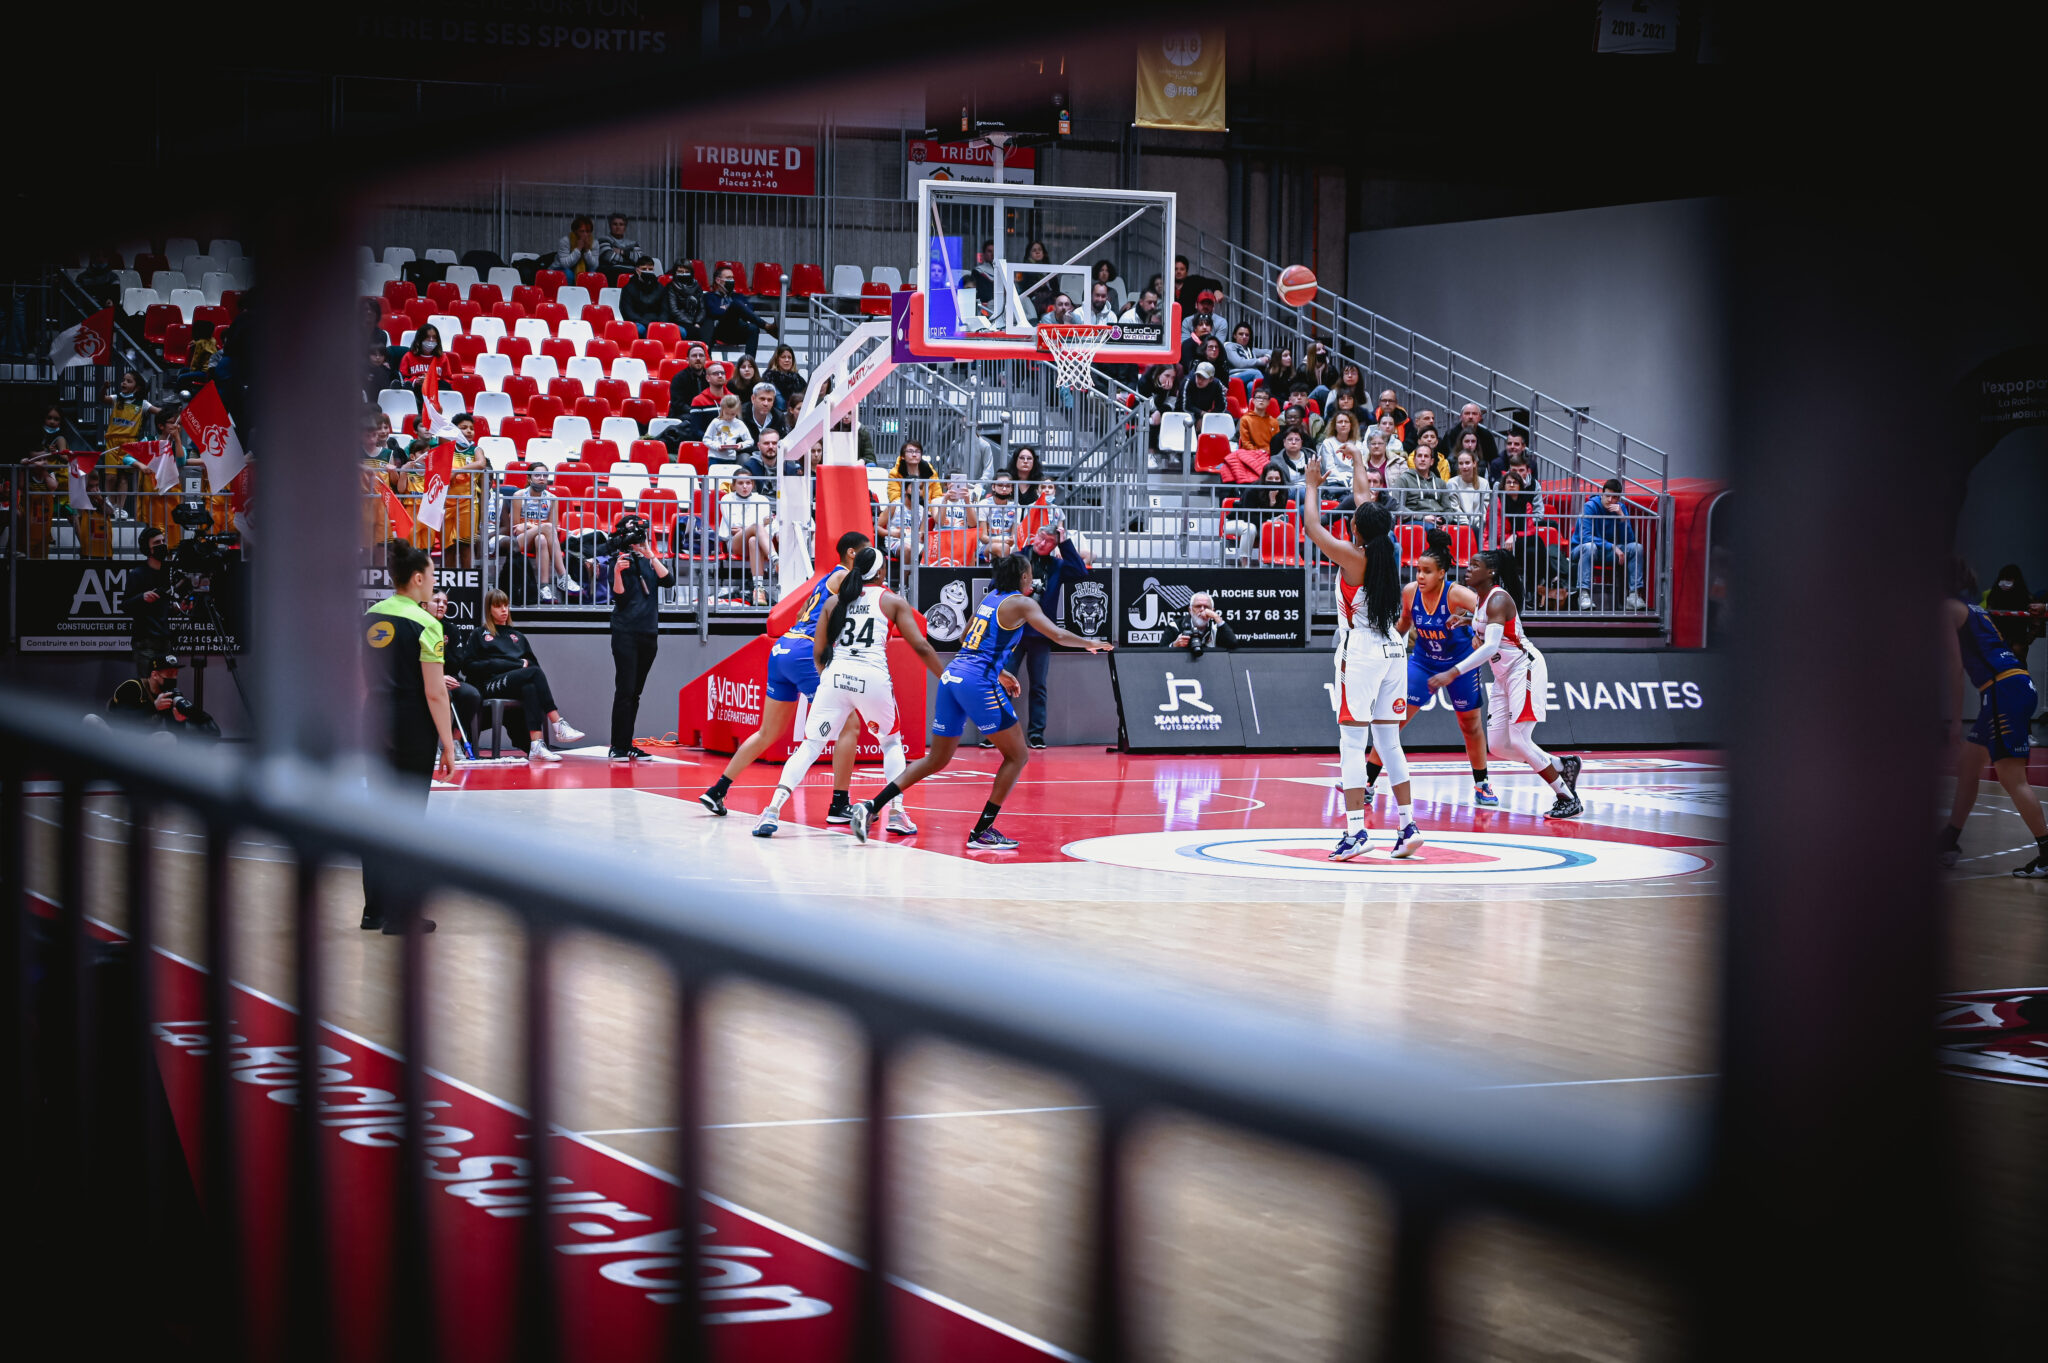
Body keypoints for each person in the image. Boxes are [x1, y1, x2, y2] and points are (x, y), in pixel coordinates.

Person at [849, 553, 1112, 848]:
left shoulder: (991, 599)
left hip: (952, 677)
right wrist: (1092, 643)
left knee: (937, 758)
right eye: (1029, 575)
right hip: (977, 682)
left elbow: (965, 639)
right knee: (1018, 756)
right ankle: (982, 832)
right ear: (1024, 578)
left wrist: (998, 672)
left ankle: (871, 806)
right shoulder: (1023, 603)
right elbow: (1058, 635)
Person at [755, 547, 947, 838]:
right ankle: (896, 812)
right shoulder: (891, 601)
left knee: (810, 746)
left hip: (835, 675)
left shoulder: (834, 601)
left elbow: (819, 652)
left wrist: (829, 681)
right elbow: (920, 646)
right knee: (891, 743)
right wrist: (944, 677)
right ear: (881, 572)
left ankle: (772, 810)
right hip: (871, 676)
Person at [698, 532, 873, 820]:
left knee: (768, 732)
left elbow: (802, 613)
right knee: (849, 725)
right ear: (853, 553)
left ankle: (717, 790)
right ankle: (839, 805)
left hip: (783, 648)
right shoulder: (845, 577)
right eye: (867, 553)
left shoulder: (824, 580)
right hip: (805, 651)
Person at [1298, 465, 1424, 860]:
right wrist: (1356, 462)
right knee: (1390, 742)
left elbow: (1312, 527)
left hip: (1363, 651)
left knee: (1352, 744)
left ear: (1358, 529)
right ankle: (1407, 825)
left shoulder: (1353, 557)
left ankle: (1356, 831)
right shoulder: (1388, 549)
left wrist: (1311, 486)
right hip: (1394, 650)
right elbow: (1366, 502)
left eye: (1353, 518)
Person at [1428, 548, 1583, 819]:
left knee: (1520, 740)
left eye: (1475, 565)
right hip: (1503, 675)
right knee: (1498, 745)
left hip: (1524, 670)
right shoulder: (1481, 599)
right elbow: (1488, 629)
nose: (1468, 568)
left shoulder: (1499, 599)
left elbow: (1489, 647)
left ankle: (1567, 797)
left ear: (1491, 572)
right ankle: (1561, 764)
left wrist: (1453, 672)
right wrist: (1466, 621)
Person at [360, 541, 457, 933]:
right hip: (411, 725)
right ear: (417, 579)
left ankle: (374, 910)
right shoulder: (426, 624)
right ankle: (402, 916)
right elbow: (435, 692)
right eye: (432, 575)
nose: (433, 583)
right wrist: (448, 745)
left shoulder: (369, 616)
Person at [1935, 563, 2048, 877]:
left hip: (2003, 691)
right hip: (2014, 685)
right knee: (1970, 766)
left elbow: (1955, 669)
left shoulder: (1946, 610)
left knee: (2012, 778)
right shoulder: (1975, 609)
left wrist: (1956, 720)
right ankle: (1949, 842)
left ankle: (2047, 852)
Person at [1387, 529, 1497, 807]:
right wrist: (1384, 641)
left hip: (1460, 663)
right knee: (1394, 720)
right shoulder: (1410, 593)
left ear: (1442, 574)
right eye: (1417, 570)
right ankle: (1366, 781)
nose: (1419, 576)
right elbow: (1402, 625)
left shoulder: (1457, 594)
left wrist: (1477, 628)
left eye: (1426, 571)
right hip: (1423, 662)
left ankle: (1482, 784)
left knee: (1470, 724)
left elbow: (1491, 610)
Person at [455, 589, 585, 762]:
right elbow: (468, 666)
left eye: (506, 606)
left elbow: (533, 667)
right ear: (489, 609)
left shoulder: (518, 636)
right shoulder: (480, 634)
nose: (504, 610)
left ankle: (536, 745)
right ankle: (558, 722)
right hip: (489, 684)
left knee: (531, 685)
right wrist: (511, 664)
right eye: (498, 606)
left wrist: (518, 666)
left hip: (515, 684)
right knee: (532, 674)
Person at [1011, 522, 1092, 748]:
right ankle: (995, 735)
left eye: (1049, 542)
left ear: (1055, 546)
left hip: (1041, 635)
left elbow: (1080, 572)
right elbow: (996, 582)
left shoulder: (1057, 565)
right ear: (1034, 535)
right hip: (1013, 632)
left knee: (1038, 686)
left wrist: (1066, 544)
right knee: (1003, 683)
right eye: (1040, 537)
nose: (1042, 543)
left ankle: (1036, 736)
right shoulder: (1018, 558)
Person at [607, 518, 670, 761]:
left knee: (636, 692)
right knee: (624, 690)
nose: (638, 541)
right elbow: (619, 598)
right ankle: (617, 746)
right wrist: (617, 573)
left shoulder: (649, 563)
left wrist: (651, 554)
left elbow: (668, 580)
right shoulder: (619, 560)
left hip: (648, 633)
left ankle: (628, 743)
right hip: (625, 633)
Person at [1572, 477, 1647, 611]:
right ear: (1602, 493)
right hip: (1582, 549)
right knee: (1590, 547)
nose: (1609, 500)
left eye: (1614, 497)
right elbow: (1586, 536)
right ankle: (1583, 594)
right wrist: (1612, 547)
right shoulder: (1590, 506)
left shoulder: (1621, 509)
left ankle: (1633, 596)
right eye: (1607, 496)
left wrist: (1622, 518)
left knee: (1636, 547)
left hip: (1606, 552)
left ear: (1618, 499)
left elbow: (1629, 539)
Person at [506, 466, 576, 603]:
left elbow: (552, 529)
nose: (542, 478)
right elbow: (515, 527)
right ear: (529, 478)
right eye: (537, 475)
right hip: (519, 541)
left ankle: (544, 588)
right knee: (545, 530)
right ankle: (563, 576)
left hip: (539, 539)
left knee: (542, 539)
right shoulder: (519, 495)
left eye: (545, 475)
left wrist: (528, 526)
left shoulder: (552, 498)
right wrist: (538, 527)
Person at [107, 653, 217, 739]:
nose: (174, 678)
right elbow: (120, 719)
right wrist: (154, 707)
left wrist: (179, 721)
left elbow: (175, 734)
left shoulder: (167, 695)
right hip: (116, 737)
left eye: (176, 674)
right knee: (91, 719)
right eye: (169, 674)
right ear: (154, 675)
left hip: (142, 741)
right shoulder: (133, 686)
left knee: (168, 738)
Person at [427, 589, 483, 755]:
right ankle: (431, 744)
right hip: (425, 679)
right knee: (436, 694)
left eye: (445, 603)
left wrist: (443, 646)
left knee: (471, 695)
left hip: (450, 678)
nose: (442, 606)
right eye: (437, 601)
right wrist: (437, 677)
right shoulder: (418, 625)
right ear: (425, 604)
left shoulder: (451, 630)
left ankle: (454, 742)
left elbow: (457, 663)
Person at [720, 470, 777, 603]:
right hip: (735, 543)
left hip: (757, 542)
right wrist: (759, 524)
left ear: (753, 484)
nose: (745, 486)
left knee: (753, 539)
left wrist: (750, 528)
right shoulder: (726, 499)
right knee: (757, 527)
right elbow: (734, 526)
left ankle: (759, 589)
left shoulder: (762, 499)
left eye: (748, 483)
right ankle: (775, 559)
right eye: (740, 483)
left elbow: (768, 526)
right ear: (733, 485)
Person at [702, 263, 774, 352]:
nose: (731, 280)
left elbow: (750, 309)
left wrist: (730, 308)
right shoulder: (709, 296)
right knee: (736, 304)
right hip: (720, 332)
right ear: (718, 280)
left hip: (737, 331)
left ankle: (749, 363)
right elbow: (713, 311)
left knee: (754, 328)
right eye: (728, 278)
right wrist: (735, 308)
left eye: (732, 278)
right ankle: (766, 326)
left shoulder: (738, 296)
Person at [1171, 591, 1237, 655]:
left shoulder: (1216, 628)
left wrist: (1216, 617)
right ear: (1190, 610)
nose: (1202, 609)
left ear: (1212, 611)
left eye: (1206, 607)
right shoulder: (1176, 626)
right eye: (1198, 606)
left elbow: (1232, 643)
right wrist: (1174, 645)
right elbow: (1161, 653)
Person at [978, 473, 1024, 561]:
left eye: (1007, 486)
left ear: (1011, 489)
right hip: (986, 546)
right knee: (1003, 548)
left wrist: (1011, 541)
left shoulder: (1016, 506)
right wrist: (1003, 542)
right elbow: (983, 538)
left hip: (1009, 545)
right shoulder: (984, 504)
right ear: (993, 487)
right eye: (1000, 485)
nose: (1004, 489)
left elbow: (1014, 535)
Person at [619, 257, 666, 336]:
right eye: (644, 269)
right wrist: (648, 324)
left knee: (677, 331)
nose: (647, 271)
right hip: (638, 322)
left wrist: (659, 324)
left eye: (650, 269)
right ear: (637, 270)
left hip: (656, 322)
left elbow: (665, 310)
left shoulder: (660, 287)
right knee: (640, 330)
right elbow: (628, 312)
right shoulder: (628, 288)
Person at [702, 392, 752, 460]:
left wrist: (741, 445)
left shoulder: (739, 424)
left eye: (732, 414)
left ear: (737, 412)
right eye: (726, 413)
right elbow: (706, 439)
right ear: (722, 409)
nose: (729, 417)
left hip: (730, 458)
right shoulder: (715, 422)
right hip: (715, 457)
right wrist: (717, 446)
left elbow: (750, 441)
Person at [662, 270, 708, 341]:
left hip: (695, 320)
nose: (684, 274)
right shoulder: (671, 287)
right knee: (694, 331)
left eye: (686, 271)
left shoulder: (697, 287)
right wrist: (691, 323)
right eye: (680, 271)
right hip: (680, 321)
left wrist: (697, 322)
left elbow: (702, 308)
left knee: (708, 327)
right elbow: (674, 310)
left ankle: (706, 349)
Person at [741, 382, 788, 446]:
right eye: (762, 399)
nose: (766, 403)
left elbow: (781, 442)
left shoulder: (778, 416)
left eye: (769, 400)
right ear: (753, 399)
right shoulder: (741, 414)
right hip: (748, 452)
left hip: (771, 453)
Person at [1238, 387, 1280, 452]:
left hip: (1269, 454)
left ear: (1269, 402)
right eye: (1258, 397)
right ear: (1253, 400)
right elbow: (1246, 443)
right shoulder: (1245, 419)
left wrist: (1267, 451)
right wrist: (1258, 451)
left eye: (1265, 398)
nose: (1261, 400)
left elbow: (1276, 443)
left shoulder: (1274, 422)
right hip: (1251, 454)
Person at [765, 345, 807, 410]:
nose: (787, 360)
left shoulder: (798, 380)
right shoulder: (769, 379)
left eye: (789, 357)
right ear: (777, 359)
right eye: (783, 357)